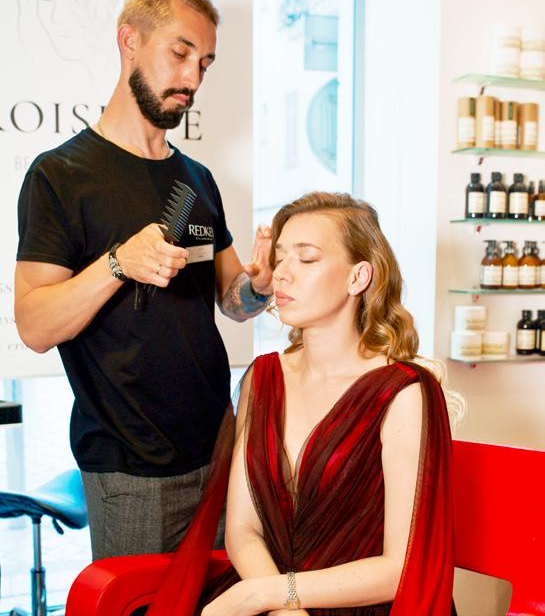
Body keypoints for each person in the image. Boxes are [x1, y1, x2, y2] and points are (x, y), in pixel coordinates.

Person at [14, 0, 273, 561]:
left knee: (221, 598)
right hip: (131, 468)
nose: (192, 79)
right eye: (180, 53)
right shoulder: (61, 176)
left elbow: (232, 299)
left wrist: (257, 286)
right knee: (142, 602)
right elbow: (33, 325)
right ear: (129, 40)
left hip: (219, 447)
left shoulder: (197, 180)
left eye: (204, 64)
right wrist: (117, 263)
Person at [146, 191, 460, 616]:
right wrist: (283, 606)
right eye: (280, 258)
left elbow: (401, 567)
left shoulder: (404, 393)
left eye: (307, 259)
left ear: (358, 277)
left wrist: (266, 595)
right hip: (269, 595)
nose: (281, 274)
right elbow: (243, 530)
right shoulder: (263, 378)